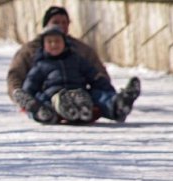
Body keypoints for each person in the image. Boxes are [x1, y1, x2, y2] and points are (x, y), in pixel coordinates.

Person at [8, 6, 139, 124]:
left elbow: (96, 73)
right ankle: (44, 111)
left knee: (97, 95)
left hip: (79, 92)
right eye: (56, 22)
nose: (61, 26)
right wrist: (22, 96)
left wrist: (108, 92)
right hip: (51, 95)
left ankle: (117, 105)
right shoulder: (32, 52)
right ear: (46, 25)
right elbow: (17, 76)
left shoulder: (79, 51)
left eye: (64, 22)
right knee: (42, 98)